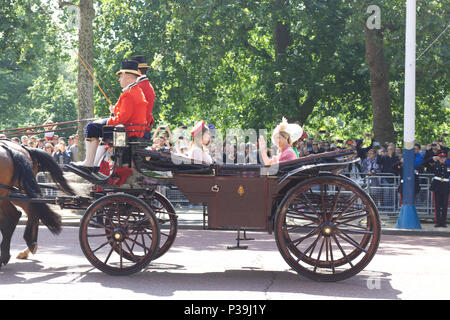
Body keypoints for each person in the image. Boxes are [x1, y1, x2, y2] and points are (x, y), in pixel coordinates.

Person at [71, 60, 148, 172]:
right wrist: (115, 110)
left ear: (128, 77)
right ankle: (96, 163)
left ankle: (89, 162)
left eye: (121, 76)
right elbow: (127, 113)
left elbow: (122, 119)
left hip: (127, 130)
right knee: (97, 125)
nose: (119, 79)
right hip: (133, 129)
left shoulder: (129, 94)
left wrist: (104, 122)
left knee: (91, 127)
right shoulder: (136, 91)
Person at [131, 55, 156, 138]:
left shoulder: (139, 87)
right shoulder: (147, 85)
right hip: (144, 127)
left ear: (138, 71)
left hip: (137, 129)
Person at [423, 152, 449, 227]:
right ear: (438, 158)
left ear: (445, 159)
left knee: (445, 205)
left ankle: (443, 222)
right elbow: (424, 164)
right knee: (437, 205)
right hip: (437, 187)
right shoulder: (435, 165)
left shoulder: (448, 166)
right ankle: (437, 221)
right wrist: (432, 158)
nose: (442, 159)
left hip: (446, 187)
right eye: (440, 158)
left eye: (443, 158)